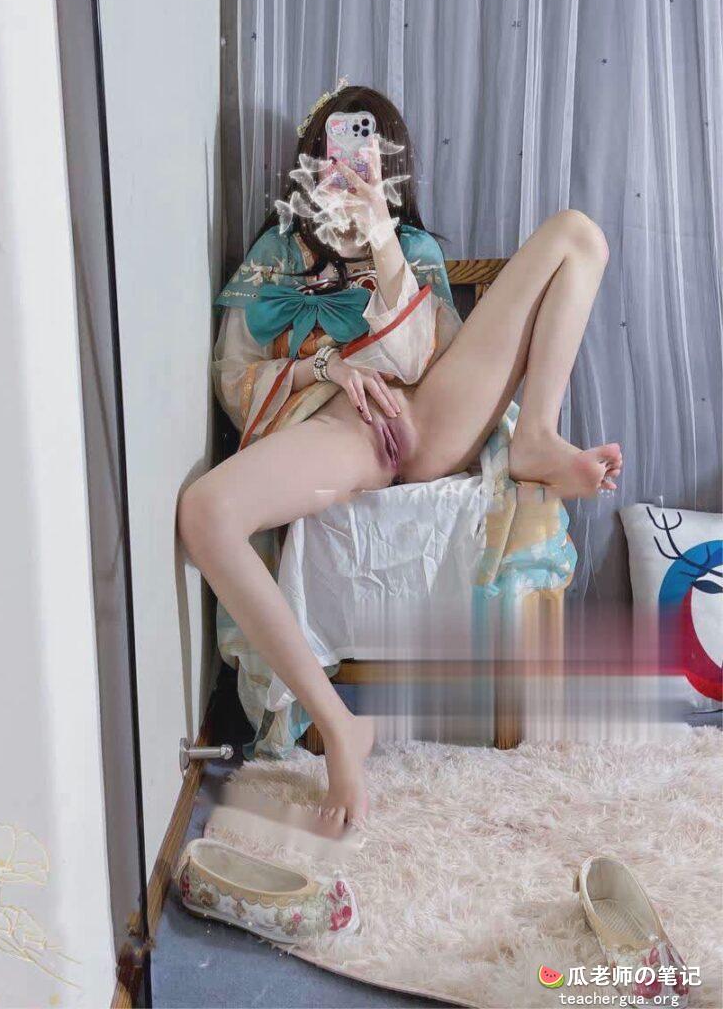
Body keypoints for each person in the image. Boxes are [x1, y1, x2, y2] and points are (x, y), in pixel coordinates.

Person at [178, 83, 621, 827]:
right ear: (310, 160)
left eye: (367, 153)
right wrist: (329, 367)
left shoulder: (411, 246)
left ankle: (537, 435)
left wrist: (381, 237)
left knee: (578, 234)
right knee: (205, 511)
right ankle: (339, 726)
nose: (347, 165)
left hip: (435, 413)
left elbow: (422, 358)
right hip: (347, 431)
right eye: (334, 151)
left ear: (391, 166)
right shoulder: (274, 254)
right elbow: (235, 379)